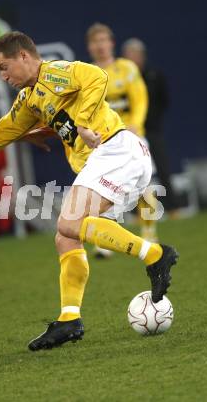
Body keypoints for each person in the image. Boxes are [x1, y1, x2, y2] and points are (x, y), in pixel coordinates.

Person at [0, 31, 179, 351]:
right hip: (112, 158)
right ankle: (69, 319)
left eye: (4, 66)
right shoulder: (29, 99)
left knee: (69, 222)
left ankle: (156, 254)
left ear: (24, 56)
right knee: (66, 236)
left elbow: (96, 76)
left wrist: (82, 122)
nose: (3, 75)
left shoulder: (55, 72)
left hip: (114, 149)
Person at [86, 23, 158, 253]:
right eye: (95, 42)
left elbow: (140, 98)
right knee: (101, 190)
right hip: (104, 142)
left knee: (145, 186)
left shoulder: (126, 68)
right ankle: (105, 241)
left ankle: (149, 232)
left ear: (111, 43)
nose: (100, 46)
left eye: (104, 40)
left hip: (132, 135)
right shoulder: (86, 74)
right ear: (89, 47)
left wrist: (136, 123)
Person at [122, 38, 179, 213]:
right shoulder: (122, 79)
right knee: (131, 173)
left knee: (162, 168)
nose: (133, 59)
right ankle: (137, 212)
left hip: (152, 130)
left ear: (142, 56)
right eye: (129, 55)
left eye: (136, 55)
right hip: (131, 131)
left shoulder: (154, 74)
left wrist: (152, 120)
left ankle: (172, 208)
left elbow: (164, 100)